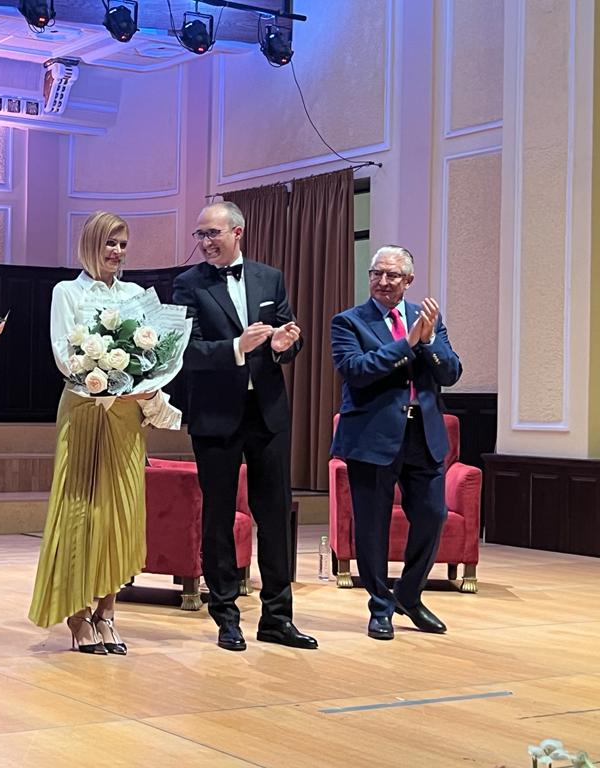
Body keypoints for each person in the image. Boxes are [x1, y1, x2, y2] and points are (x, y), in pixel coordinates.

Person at [29, 211, 179, 654]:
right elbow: (64, 356)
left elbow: (155, 354)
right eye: (109, 243)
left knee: (121, 511)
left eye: (122, 244)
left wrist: (142, 381)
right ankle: (77, 615)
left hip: (126, 414)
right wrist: (105, 376)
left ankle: (107, 612)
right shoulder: (67, 291)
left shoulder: (136, 295)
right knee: (80, 510)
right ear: (91, 244)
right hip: (83, 409)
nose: (116, 252)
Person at [171, 201, 316, 653]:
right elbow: (186, 352)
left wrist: (285, 344)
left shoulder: (269, 277)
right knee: (218, 517)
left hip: (267, 411)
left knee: (274, 514)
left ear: (237, 232)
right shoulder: (187, 284)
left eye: (212, 233)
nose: (205, 242)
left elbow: (287, 336)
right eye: (200, 235)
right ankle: (226, 617)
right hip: (216, 414)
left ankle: (278, 618)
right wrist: (237, 345)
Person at [330, 245, 462, 640]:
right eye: (377, 273)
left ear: (409, 280)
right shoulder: (349, 321)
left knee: (433, 514)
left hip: (423, 434)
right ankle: (380, 606)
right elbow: (356, 370)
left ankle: (409, 593)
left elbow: (451, 373)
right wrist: (407, 344)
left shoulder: (428, 319)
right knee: (372, 526)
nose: (383, 281)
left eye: (393, 275)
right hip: (371, 436)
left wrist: (427, 340)